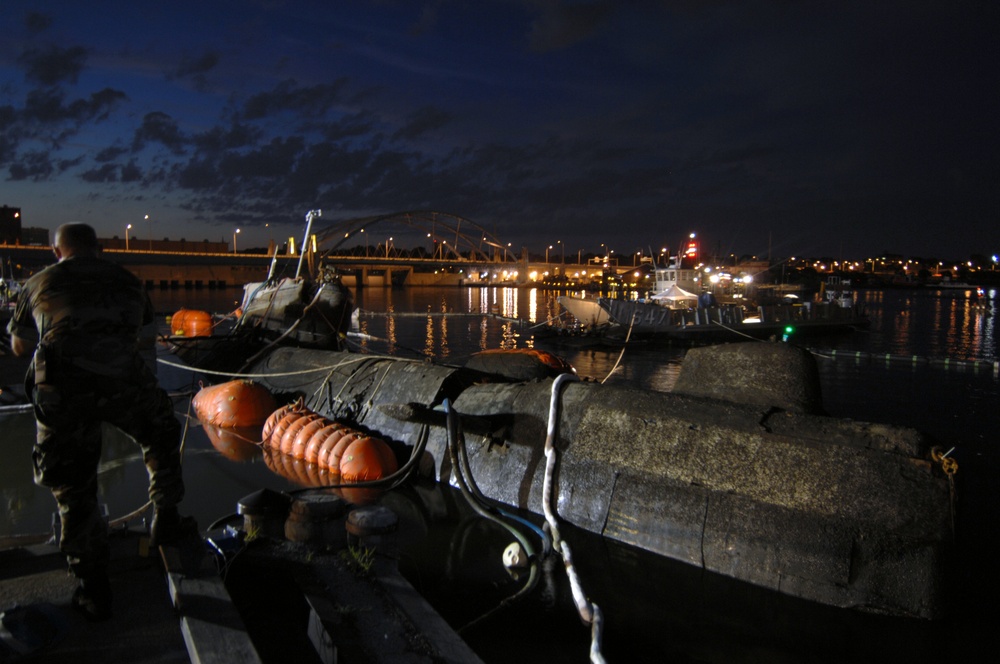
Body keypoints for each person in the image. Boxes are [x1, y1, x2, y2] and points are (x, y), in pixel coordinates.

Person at [6, 222, 193, 621]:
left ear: (58, 252)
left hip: (63, 392)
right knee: (161, 432)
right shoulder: (127, 282)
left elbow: (21, 346)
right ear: (99, 248)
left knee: (73, 484)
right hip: (124, 383)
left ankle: (91, 586)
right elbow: (146, 344)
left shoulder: (40, 282)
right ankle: (166, 518)